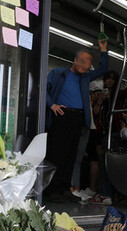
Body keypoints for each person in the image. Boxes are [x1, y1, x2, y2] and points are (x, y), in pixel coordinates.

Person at [45, 37, 108, 202]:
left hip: (78, 119)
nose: (85, 66)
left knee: (72, 156)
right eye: (82, 62)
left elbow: (104, 68)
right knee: (57, 154)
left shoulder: (86, 78)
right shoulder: (59, 73)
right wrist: (52, 105)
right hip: (62, 116)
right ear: (74, 60)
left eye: (88, 64)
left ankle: (65, 189)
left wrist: (103, 50)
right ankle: (51, 190)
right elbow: (42, 88)